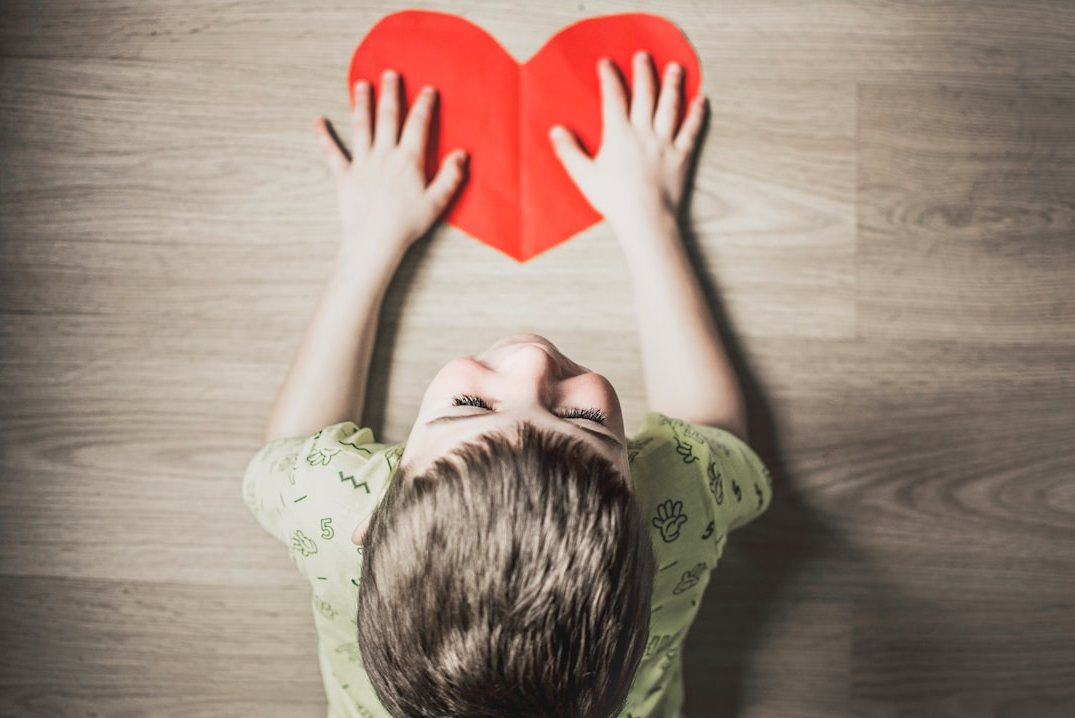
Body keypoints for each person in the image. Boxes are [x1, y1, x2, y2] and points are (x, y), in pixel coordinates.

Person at [244, 50, 771, 718]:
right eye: (583, 422)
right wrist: (649, 217)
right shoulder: (674, 511)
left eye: (469, 406)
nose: (530, 361)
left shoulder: (328, 508)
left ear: (370, 520)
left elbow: (287, 452)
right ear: (646, 523)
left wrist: (368, 243)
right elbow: (716, 436)